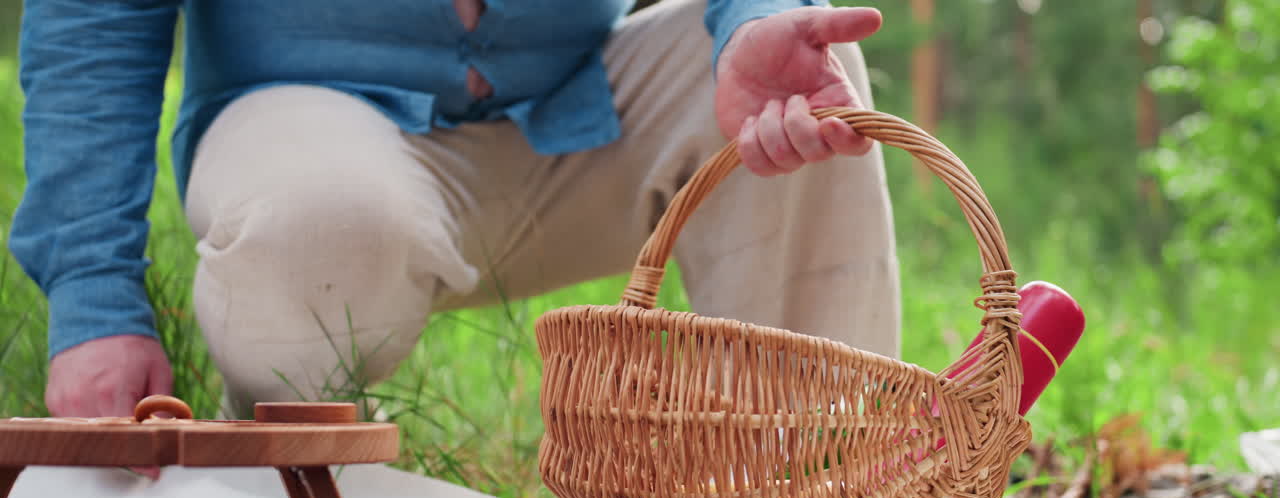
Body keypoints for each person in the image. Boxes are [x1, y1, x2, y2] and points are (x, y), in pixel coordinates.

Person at [10, 0, 899, 422]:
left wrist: (760, 17)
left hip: (573, 116)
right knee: (316, 231)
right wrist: (92, 296)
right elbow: (93, 16)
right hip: (314, 125)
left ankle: (816, 488)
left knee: (804, 88)